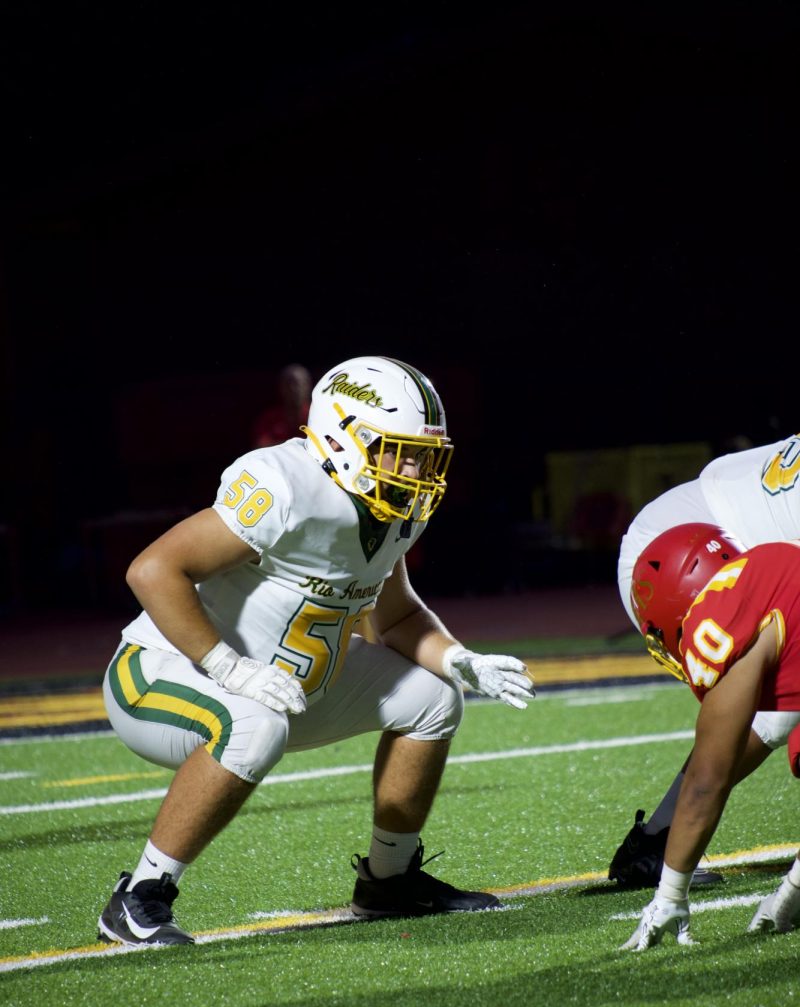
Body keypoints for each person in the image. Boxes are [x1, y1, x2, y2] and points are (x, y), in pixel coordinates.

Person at [97, 355, 535, 947]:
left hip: (290, 687)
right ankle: (139, 897)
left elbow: (398, 614)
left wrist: (461, 659)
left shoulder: (389, 504)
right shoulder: (285, 484)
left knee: (434, 697)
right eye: (399, 449)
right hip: (161, 673)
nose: (416, 467)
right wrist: (228, 665)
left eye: (424, 452)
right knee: (255, 725)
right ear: (342, 437)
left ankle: (388, 882)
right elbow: (153, 570)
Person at [608, 431, 800, 887]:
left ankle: (656, 841)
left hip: (714, 539)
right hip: (682, 554)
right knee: (774, 713)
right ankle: (659, 843)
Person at [621, 522, 800, 949]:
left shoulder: (715, 621)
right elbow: (776, 721)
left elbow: (706, 782)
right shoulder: (773, 558)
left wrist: (669, 893)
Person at [251, 362, 312, 447]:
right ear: (281, 387)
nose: (294, 389)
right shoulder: (269, 419)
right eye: (289, 383)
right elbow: (261, 447)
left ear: (308, 386)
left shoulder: (316, 415)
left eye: (301, 383)